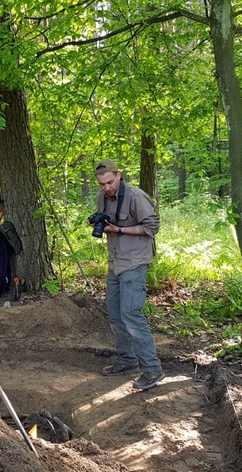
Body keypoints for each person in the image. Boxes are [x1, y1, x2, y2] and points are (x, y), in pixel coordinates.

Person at [90, 159, 165, 390]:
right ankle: (127, 361)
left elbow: (152, 228)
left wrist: (120, 229)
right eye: (102, 184)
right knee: (114, 314)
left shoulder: (135, 196)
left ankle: (153, 370)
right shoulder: (102, 197)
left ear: (118, 175)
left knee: (131, 315)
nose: (106, 188)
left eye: (109, 182)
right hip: (115, 263)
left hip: (134, 263)